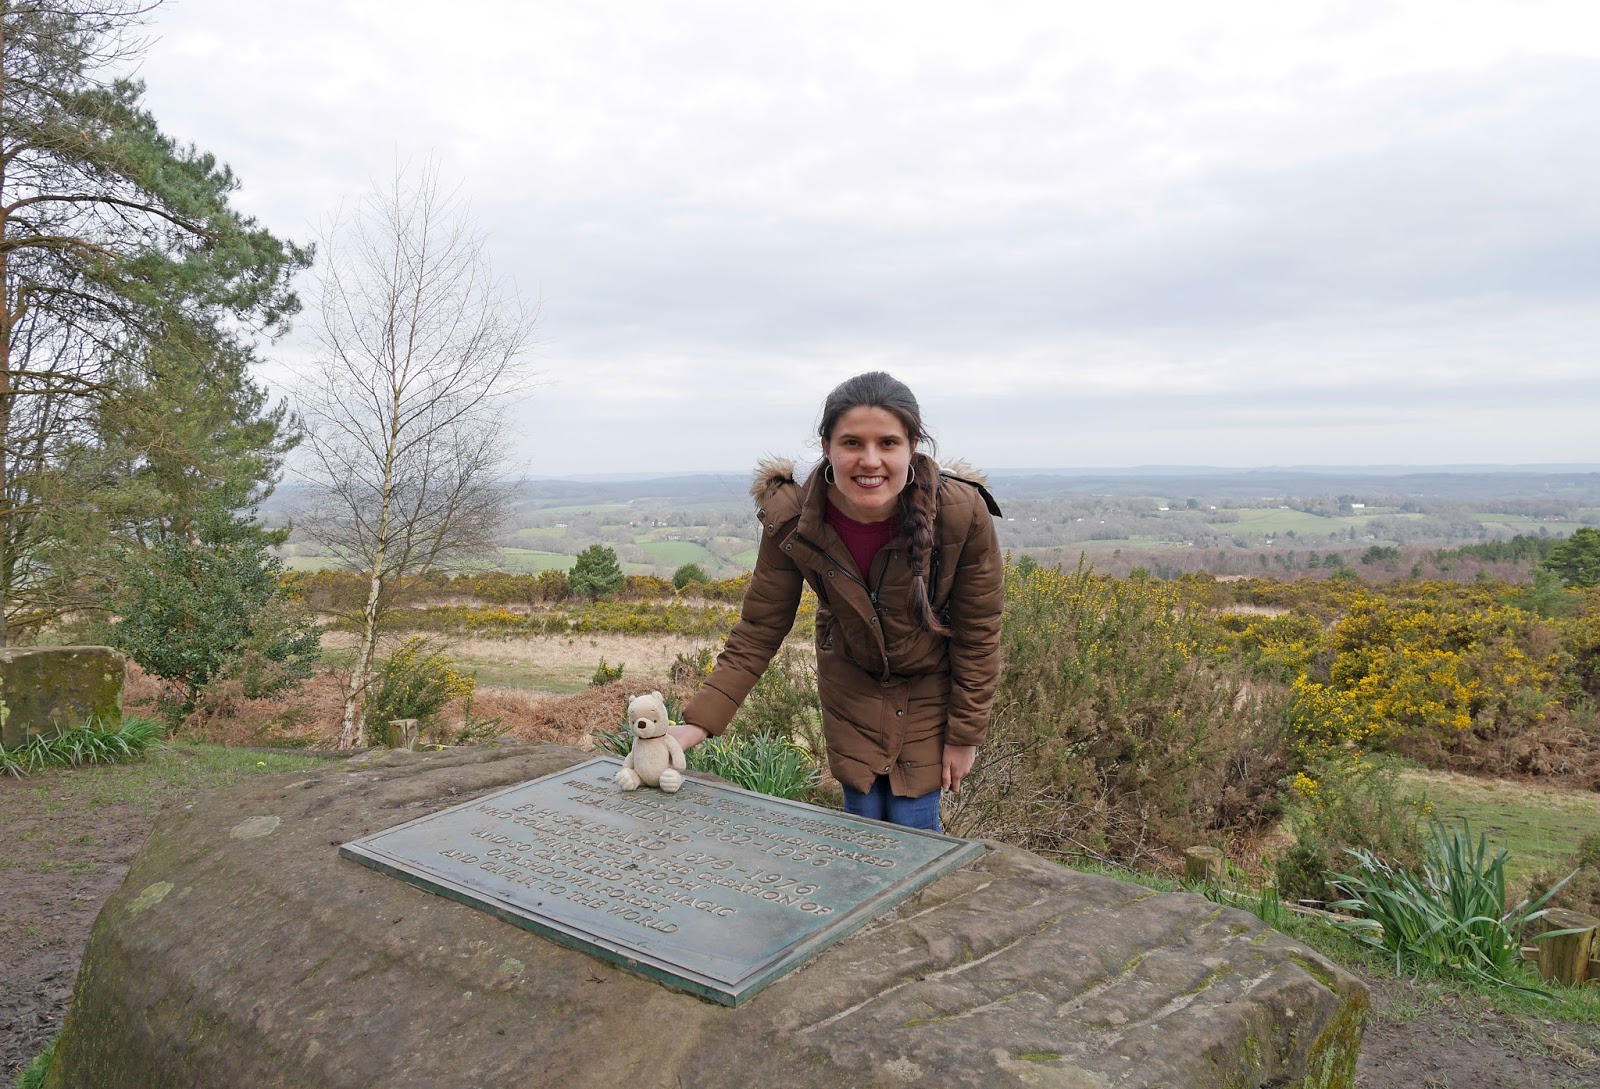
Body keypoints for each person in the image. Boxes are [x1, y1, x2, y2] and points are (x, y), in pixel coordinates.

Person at [671, 372, 1004, 832]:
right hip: (850, 680)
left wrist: (965, 736)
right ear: (827, 446)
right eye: (852, 443)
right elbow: (760, 628)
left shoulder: (961, 513)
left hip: (931, 682)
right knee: (861, 823)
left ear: (913, 447)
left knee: (914, 825)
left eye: (888, 443)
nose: (870, 461)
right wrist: (698, 724)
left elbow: (978, 634)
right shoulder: (791, 518)